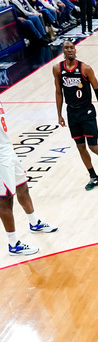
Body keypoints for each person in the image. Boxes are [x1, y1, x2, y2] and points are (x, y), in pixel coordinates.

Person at [54, 42, 98, 191]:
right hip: (72, 112)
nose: (69, 50)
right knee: (80, 147)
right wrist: (59, 114)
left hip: (87, 111)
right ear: (63, 50)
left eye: (71, 47)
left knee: (93, 146)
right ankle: (93, 177)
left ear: (75, 50)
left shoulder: (85, 69)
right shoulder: (57, 69)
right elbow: (59, 92)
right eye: (66, 48)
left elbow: (97, 91)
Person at [0, 101, 58, 256]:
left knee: (23, 187)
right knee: (5, 200)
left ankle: (34, 223)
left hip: (7, 149)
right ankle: (13, 244)